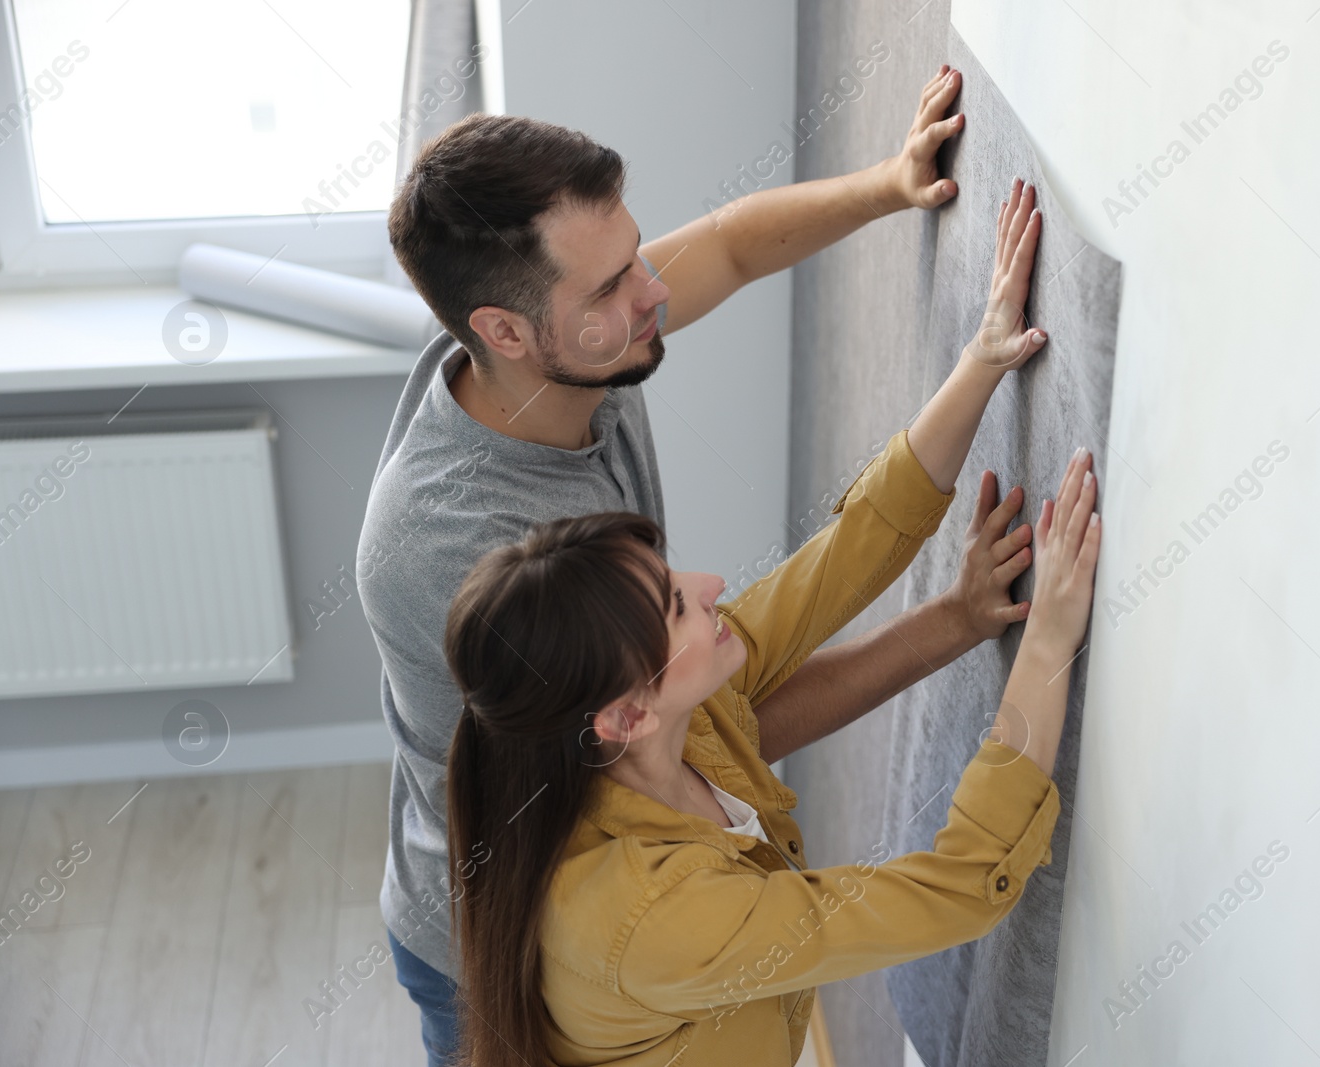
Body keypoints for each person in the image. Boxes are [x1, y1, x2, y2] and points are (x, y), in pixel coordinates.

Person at [360, 66, 992, 1065]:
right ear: (505, 331)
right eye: (611, 284)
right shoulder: (457, 547)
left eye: (633, 256)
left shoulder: (557, 351)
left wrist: (892, 182)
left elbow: (732, 246)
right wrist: (947, 624)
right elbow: (720, 733)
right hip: (496, 949)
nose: (651, 290)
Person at [440, 180, 1101, 1066]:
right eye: (676, 602)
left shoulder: (662, 712)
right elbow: (957, 887)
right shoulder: (648, 918)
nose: (710, 585)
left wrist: (982, 360)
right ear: (625, 714)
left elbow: (839, 560)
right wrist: (1051, 642)